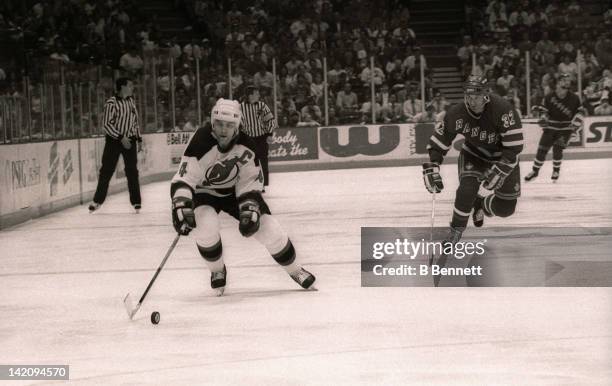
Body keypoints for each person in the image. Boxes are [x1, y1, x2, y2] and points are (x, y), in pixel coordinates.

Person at [169, 98, 315, 295]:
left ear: (237, 126)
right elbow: (185, 177)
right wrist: (181, 202)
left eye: (229, 125)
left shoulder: (247, 144)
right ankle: (217, 270)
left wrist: (250, 206)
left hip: (235, 192)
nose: (223, 129)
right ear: (212, 123)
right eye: (219, 123)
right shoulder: (201, 140)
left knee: (268, 229)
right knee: (204, 226)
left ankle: (295, 270)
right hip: (205, 193)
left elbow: (250, 181)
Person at [423, 75, 523, 246]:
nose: (471, 101)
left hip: (503, 158)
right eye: (468, 96)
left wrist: (501, 170)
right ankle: (455, 232)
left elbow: (514, 148)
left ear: (486, 95)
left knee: (506, 209)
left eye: (476, 96)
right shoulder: (456, 113)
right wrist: (432, 166)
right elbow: (440, 142)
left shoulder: (503, 110)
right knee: (466, 190)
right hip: (474, 154)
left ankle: (482, 204)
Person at [89, 77, 142, 213]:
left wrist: (138, 139)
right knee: (106, 171)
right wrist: (120, 137)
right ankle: (97, 201)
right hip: (114, 141)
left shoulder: (131, 101)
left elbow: (135, 121)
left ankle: (136, 201)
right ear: (122, 87)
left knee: (132, 171)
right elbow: (107, 124)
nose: (132, 87)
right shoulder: (111, 103)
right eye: (130, 85)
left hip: (130, 140)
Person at [524, 74, 585, 182]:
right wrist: (543, 118)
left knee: (558, 149)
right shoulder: (549, 97)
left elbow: (580, 111)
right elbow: (544, 111)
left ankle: (556, 170)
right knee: (542, 150)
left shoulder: (575, 98)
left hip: (565, 129)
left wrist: (577, 121)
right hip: (551, 128)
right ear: (558, 82)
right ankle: (535, 171)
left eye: (568, 81)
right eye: (564, 80)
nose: (567, 82)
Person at [240, 86, 277, 189]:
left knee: (263, 161)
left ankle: (263, 184)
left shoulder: (262, 105)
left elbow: (270, 120)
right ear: (250, 95)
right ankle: (251, 184)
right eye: (257, 93)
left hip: (261, 138)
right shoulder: (240, 107)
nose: (259, 95)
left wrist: (269, 134)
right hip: (248, 139)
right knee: (249, 163)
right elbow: (237, 123)